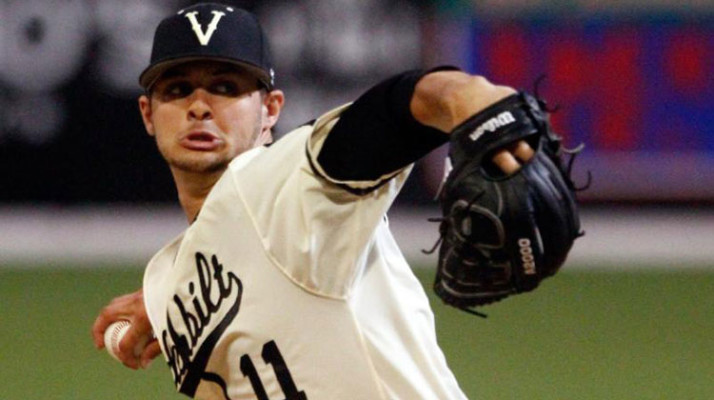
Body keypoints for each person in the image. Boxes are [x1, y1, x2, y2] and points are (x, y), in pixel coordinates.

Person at [91, 3, 532, 399]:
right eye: (177, 89)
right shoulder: (177, 277)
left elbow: (391, 113)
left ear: (271, 110)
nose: (200, 106)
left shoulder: (288, 182)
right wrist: (166, 298)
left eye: (226, 87)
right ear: (149, 114)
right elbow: (238, 252)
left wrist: (468, 96)